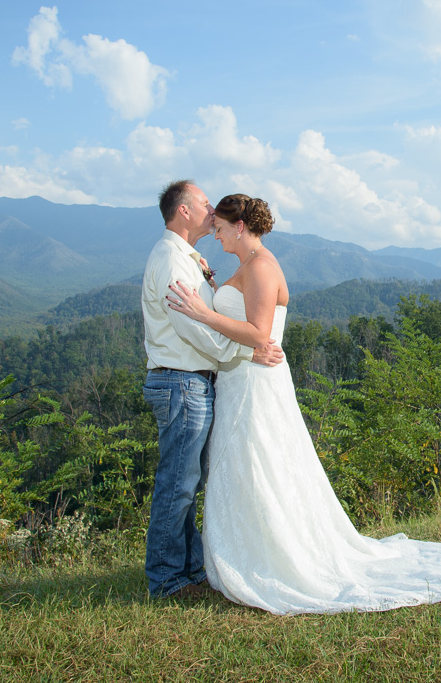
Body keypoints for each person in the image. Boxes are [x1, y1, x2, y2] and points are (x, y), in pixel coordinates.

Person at [167, 194, 441, 615]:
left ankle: (272, 558)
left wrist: (203, 312)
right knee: (248, 465)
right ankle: (249, 550)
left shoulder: (261, 266)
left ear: (239, 226)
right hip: (241, 379)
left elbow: (259, 333)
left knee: (259, 462)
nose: (214, 235)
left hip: (255, 382)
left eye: (218, 229)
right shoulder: (248, 266)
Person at [141, 180, 283, 599]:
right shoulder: (172, 260)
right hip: (181, 380)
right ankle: (168, 580)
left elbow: (205, 321)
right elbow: (191, 328)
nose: (210, 210)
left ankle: (187, 568)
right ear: (183, 211)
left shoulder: (187, 258)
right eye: (204, 204)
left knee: (186, 479)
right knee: (179, 482)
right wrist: (242, 356)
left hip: (193, 381)